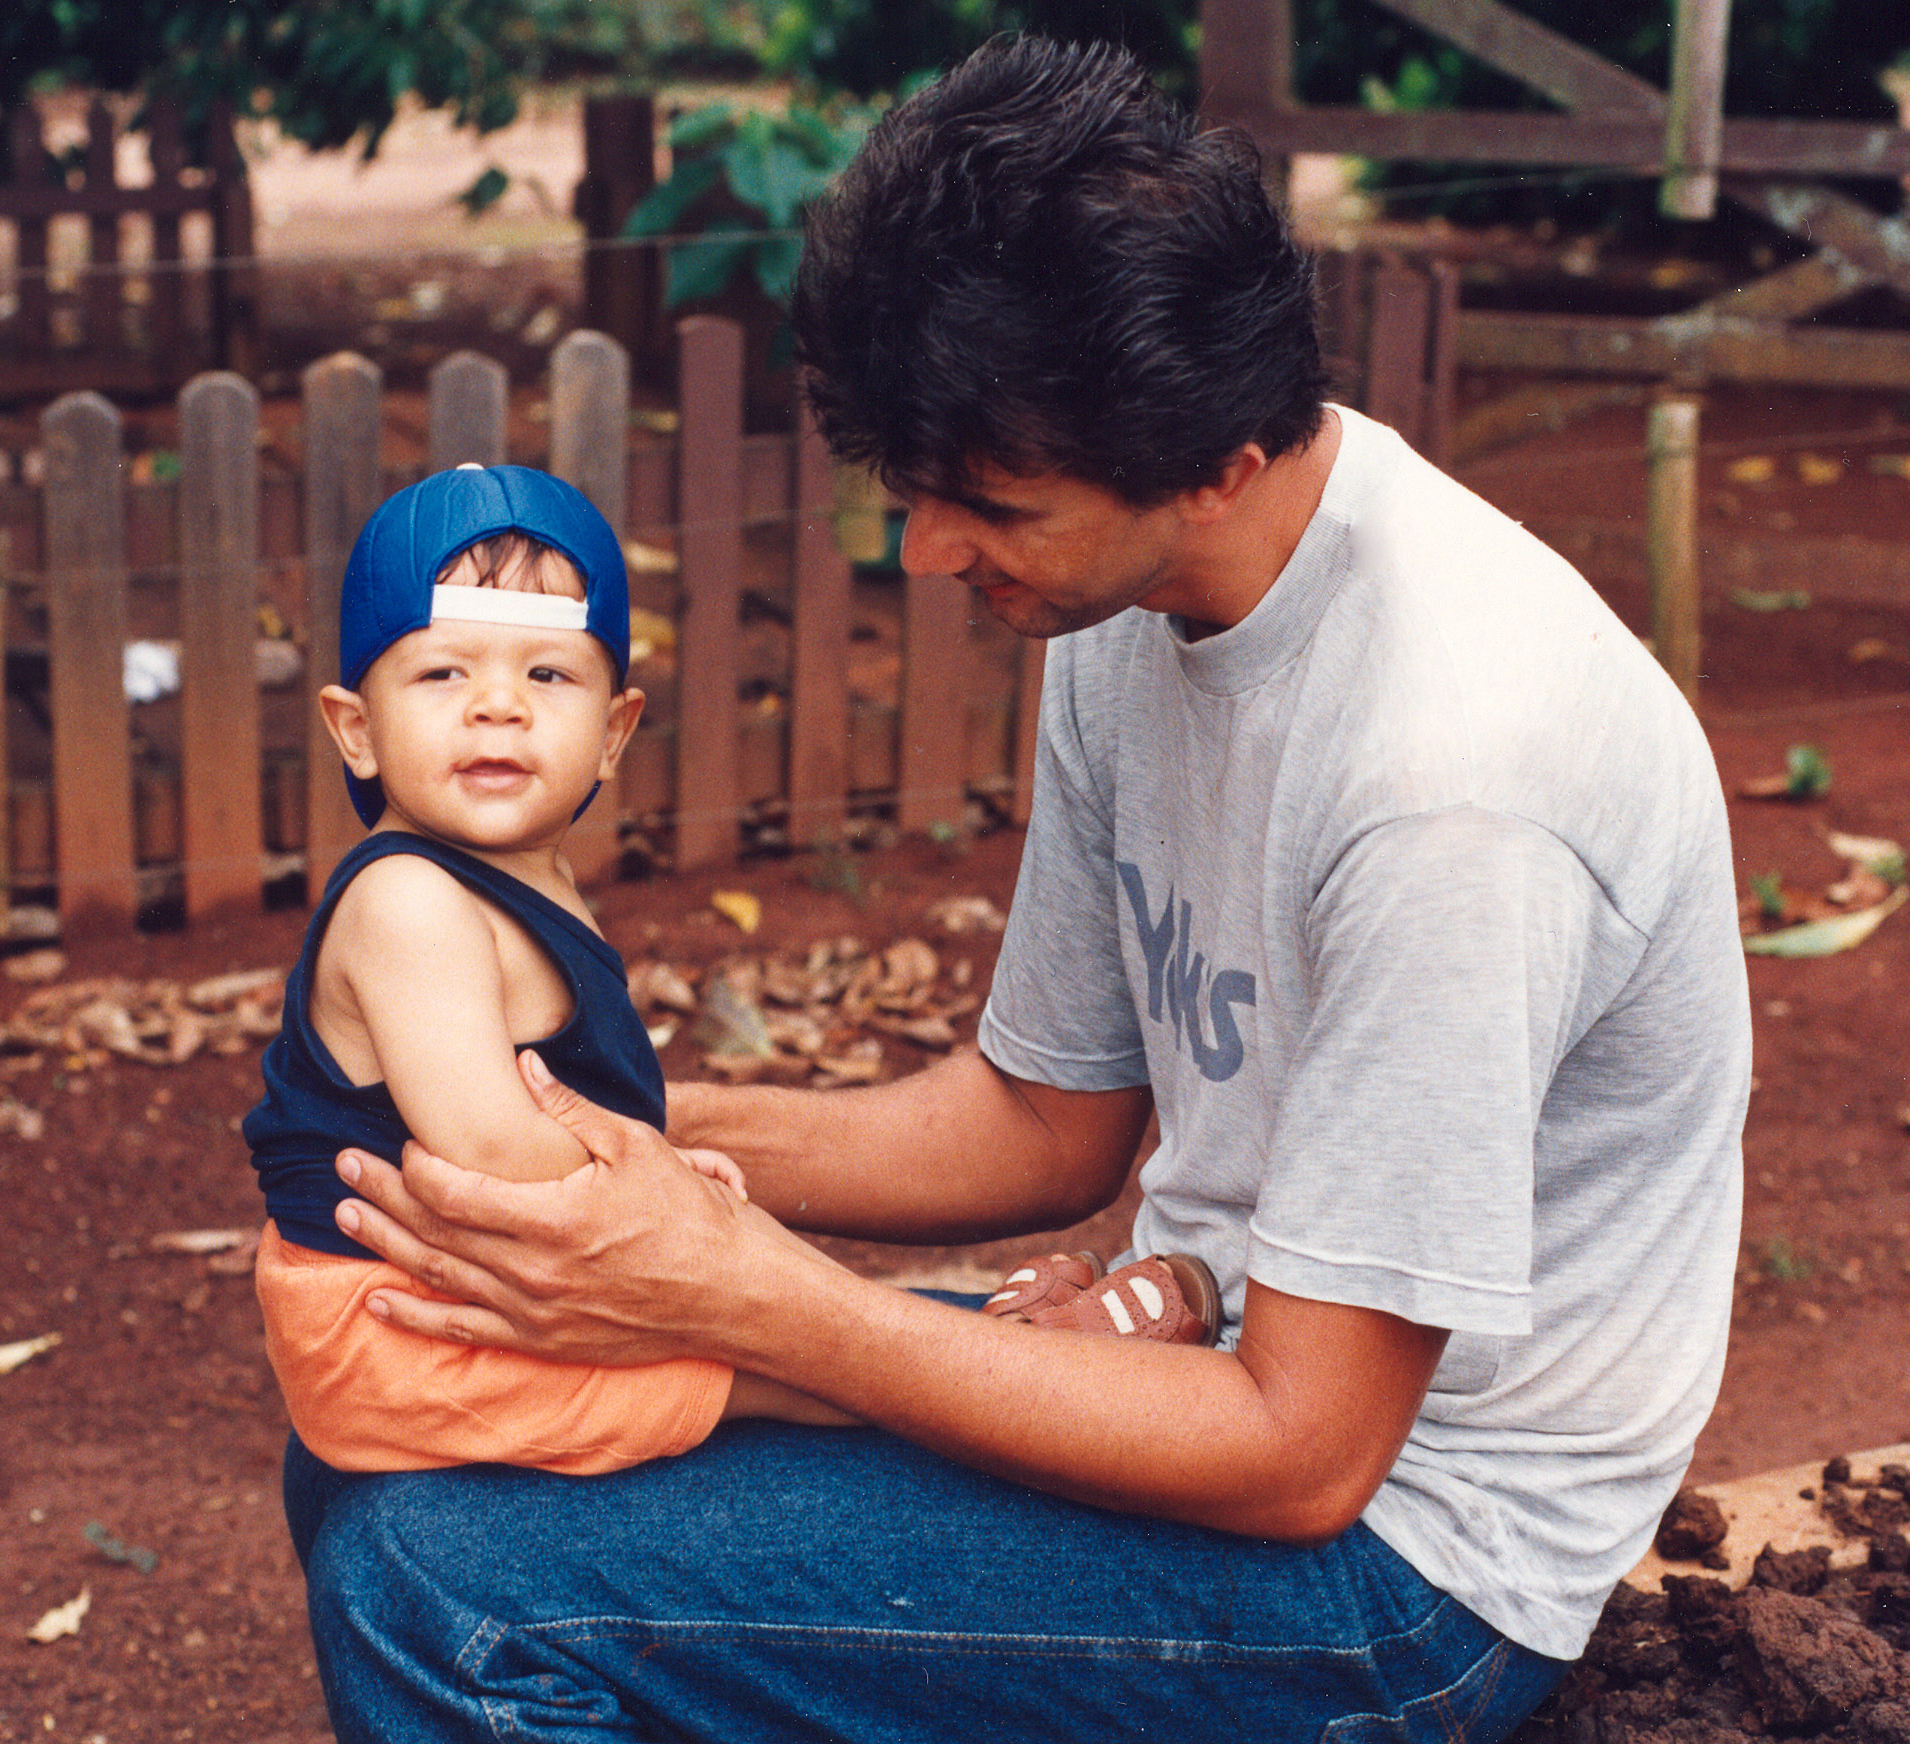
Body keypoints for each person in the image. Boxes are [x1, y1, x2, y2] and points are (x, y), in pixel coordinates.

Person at [290, 34, 1750, 1744]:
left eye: (986, 502)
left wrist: (753, 1294)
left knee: (441, 1586)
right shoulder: (1140, 605)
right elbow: (1041, 1124)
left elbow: (1305, 1453)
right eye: (911, 486)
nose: (923, 548)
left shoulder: (1451, 788)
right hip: (1215, 1356)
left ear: (1217, 458)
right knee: (407, 1418)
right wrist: (560, 1149)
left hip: (1405, 1565)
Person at [245, 462, 1215, 1479]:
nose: (499, 708)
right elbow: (485, 1143)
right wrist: (663, 1190)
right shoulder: (407, 903)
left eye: (547, 675)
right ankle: (1031, 1376)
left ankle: (982, 1344)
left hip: (464, 1299)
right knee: (769, 1357)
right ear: (356, 728)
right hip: (403, 1333)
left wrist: (673, 1194)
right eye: (444, 673)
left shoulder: (515, 884)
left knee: (753, 1301)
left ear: (614, 733)